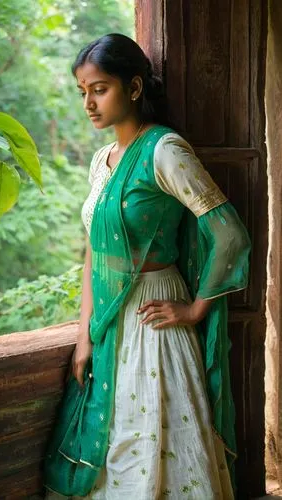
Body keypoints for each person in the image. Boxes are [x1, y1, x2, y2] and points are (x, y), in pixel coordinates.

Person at [44, 33, 251, 500]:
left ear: (134, 88)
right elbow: (94, 254)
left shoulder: (164, 150)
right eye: (83, 92)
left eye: (100, 89)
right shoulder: (103, 161)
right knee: (115, 448)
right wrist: (83, 338)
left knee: (163, 446)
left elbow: (228, 233)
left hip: (155, 323)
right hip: (110, 327)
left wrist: (194, 310)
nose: (89, 104)